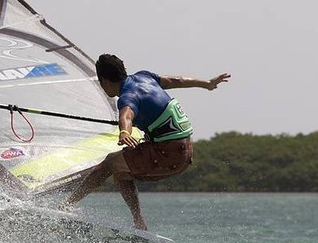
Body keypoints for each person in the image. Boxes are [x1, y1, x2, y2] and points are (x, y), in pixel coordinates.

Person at [65, 54, 230, 230]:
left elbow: (126, 115)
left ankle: (67, 205)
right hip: (185, 151)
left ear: (103, 80)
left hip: (169, 154)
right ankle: (139, 223)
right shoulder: (145, 76)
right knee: (121, 171)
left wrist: (124, 132)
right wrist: (207, 84)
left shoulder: (127, 97)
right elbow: (178, 80)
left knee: (111, 162)